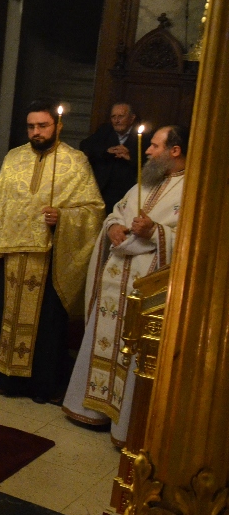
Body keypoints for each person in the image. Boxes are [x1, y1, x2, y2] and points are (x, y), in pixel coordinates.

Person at [62, 125, 187, 441]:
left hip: (145, 285)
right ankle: (92, 409)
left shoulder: (192, 190)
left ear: (175, 151)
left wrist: (156, 231)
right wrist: (114, 228)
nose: (147, 151)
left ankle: (124, 424)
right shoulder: (145, 184)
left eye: (155, 146)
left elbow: (189, 240)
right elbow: (117, 212)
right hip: (115, 282)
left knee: (133, 353)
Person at [0, 100, 104, 403]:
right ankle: (4, 380)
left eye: (43, 126)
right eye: (31, 126)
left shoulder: (76, 161)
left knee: (45, 325)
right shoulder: (13, 158)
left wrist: (63, 218)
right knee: (6, 319)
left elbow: (93, 209)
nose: (36, 132)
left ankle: (40, 385)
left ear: (57, 126)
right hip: (12, 255)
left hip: (49, 257)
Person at [80, 102, 143, 214]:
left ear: (132, 118)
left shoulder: (143, 135)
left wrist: (130, 156)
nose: (116, 120)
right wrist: (106, 151)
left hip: (129, 191)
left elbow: (149, 162)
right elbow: (85, 146)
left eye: (121, 116)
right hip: (103, 189)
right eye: (113, 117)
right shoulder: (105, 130)